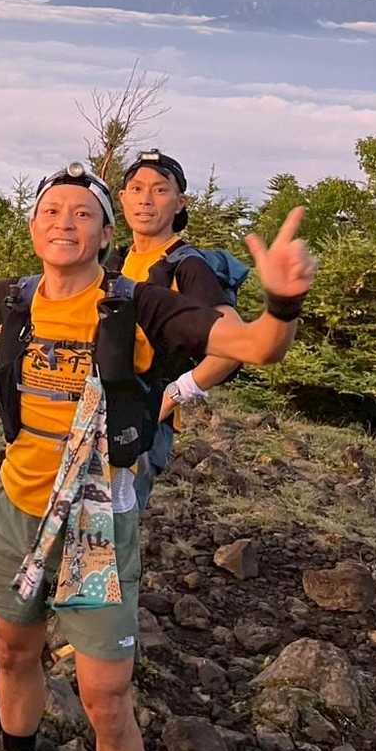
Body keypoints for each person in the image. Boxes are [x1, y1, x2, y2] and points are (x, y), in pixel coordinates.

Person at [0, 167, 315, 751]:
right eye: (51, 211)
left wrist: (283, 303)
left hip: (95, 531)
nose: (64, 222)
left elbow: (256, 346)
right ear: (33, 227)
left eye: (82, 213)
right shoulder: (16, 299)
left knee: (107, 700)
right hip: (16, 511)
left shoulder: (139, 304)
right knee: (12, 652)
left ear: (105, 233)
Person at [107, 151, 245, 506]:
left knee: (115, 523)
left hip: (142, 418)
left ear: (180, 202)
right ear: (121, 198)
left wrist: (175, 393)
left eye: (160, 190)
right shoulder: (117, 260)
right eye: (136, 189)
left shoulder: (186, 266)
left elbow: (235, 345)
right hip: (99, 408)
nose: (145, 200)